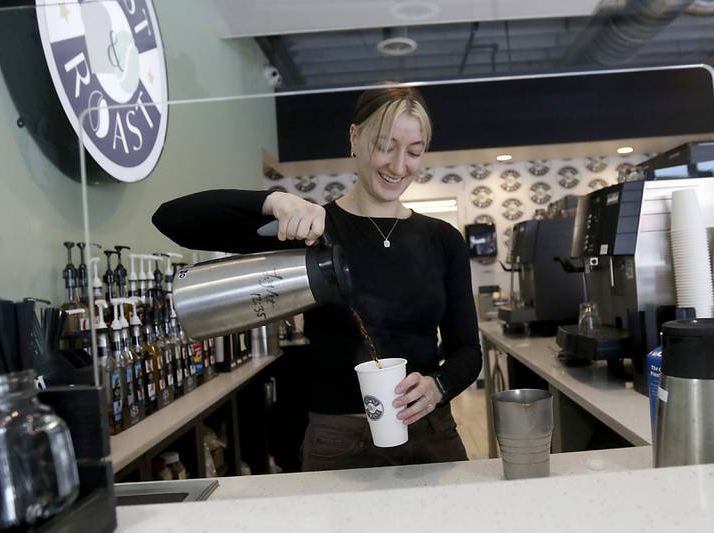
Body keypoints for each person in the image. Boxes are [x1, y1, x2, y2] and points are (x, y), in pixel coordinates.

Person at [152, 85, 482, 471]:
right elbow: (171, 218)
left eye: (414, 151)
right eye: (385, 146)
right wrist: (273, 201)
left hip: (431, 433)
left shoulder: (443, 240)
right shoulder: (311, 229)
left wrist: (438, 387)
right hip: (338, 442)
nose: (398, 165)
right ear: (355, 138)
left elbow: (467, 351)